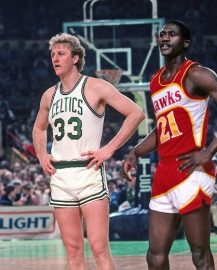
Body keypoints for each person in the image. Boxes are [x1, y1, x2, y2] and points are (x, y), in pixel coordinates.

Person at [123, 20, 217, 270]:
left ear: (185, 43)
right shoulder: (155, 80)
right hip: (164, 172)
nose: (165, 38)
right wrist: (135, 152)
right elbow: (163, 128)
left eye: (172, 34)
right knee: (154, 255)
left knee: (199, 254)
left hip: (191, 170)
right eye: (162, 34)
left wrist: (210, 151)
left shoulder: (196, 74)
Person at [32, 33, 144, 270]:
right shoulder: (48, 95)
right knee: (72, 251)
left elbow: (136, 113)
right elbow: (39, 128)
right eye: (52, 54)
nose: (55, 58)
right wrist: (42, 154)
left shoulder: (96, 86)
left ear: (75, 58)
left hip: (89, 172)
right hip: (60, 176)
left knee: (99, 248)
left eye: (60, 53)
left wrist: (109, 149)